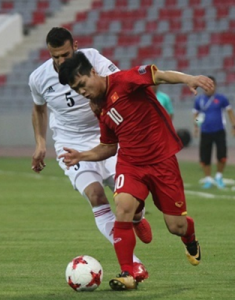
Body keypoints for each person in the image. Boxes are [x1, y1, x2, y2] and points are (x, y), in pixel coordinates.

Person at [58, 52, 214, 290]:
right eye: (76, 90)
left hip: (162, 162)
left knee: (176, 226)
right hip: (130, 164)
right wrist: (82, 155)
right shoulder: (98, 107)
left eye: (82, 85)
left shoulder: (125, 80)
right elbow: (109, 147)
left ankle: (189, 238)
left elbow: (159, 76)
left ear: (92, 72)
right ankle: (127, 273)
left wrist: (189, 79)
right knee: (122, 207)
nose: (82, 92)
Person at [29, 27, 151, 282]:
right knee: (96, 196)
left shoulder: (93, 59)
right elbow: (39, 109)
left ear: (75, 45)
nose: (61, 62)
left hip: (106, 137)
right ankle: (133, 265)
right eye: (55, 57)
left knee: (129, 201)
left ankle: (138, 216)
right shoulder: (38, 78)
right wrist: (40, 143)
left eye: (64, 55)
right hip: (70, 143)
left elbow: (120, 83)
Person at [193, 76, 235, 189]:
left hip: (219, 131)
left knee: (222, 155)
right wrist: (196, 125)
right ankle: (208, 178)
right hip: (205, 131)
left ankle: (219, 176)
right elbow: (196, 115)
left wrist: (234, 126)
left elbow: (230, 112)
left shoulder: (221, 98)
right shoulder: (199, 100)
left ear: (215, 86)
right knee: (205, 156)